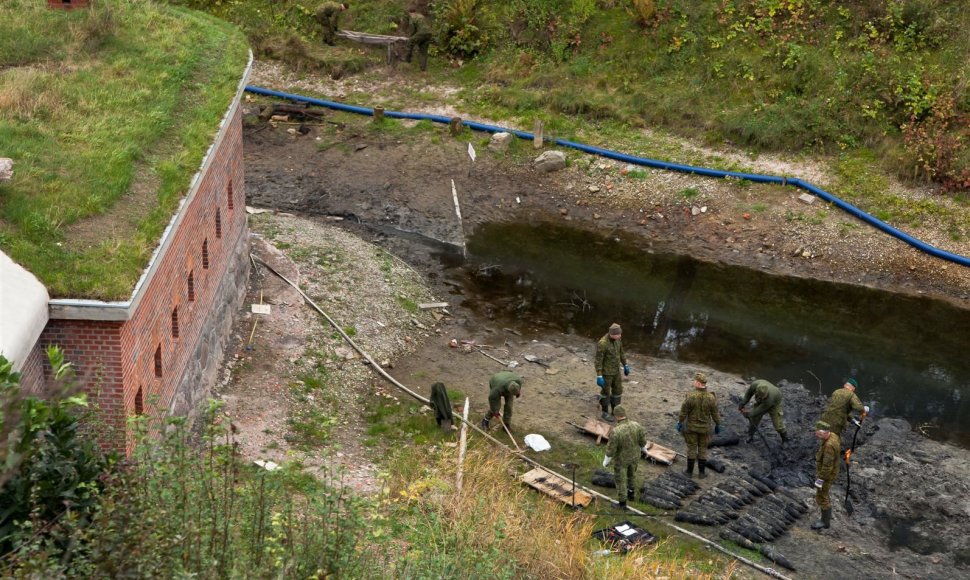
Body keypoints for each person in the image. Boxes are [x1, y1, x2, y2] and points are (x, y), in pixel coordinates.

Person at [677, 372, 722, 479]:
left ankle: (689, 472)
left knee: (692, 448)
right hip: (705, 429)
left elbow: (683, 412)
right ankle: (702, 473)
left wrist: (680, 422)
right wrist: (718, 424)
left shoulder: (690, 396)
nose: (693, 382)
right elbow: (715, 413)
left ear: (698, 383)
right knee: (703, 448)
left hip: (691, 428)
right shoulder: (711, 397)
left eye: (694, 381)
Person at [603, 405, 646, 509]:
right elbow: (642, 441)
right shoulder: (637, 425)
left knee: (620, 480)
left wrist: (606, 461)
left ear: (616, 416)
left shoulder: (616, 431)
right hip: (635, 456)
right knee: (632, 475)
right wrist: (645, 450)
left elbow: (611, 449)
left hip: (621, 460)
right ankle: (631, 494)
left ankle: (622, 503)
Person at [594, 322, 629, 423]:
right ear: (612, 334)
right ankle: (605, 412)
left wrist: (625, 364)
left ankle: (615, 411)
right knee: (605, 393)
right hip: (606, 373)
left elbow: (621, 352)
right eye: (618, 334)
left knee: (618, 391)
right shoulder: (603, 343)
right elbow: (598, 361)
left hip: (616, 371)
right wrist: (599, 375)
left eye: (620, 334)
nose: (620, 336)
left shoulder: (618, 340)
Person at [738, 379, 788, 444]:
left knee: (778, 424)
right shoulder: (754, 385)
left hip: (775, 402)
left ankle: (785, 439)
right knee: (754, 419)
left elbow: (760, 410)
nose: (764, 398)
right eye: (762, 397)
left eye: (765, 397)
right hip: (762, 403)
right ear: (756, 392)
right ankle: (750, 435)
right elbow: (749, 393)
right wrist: (743, 403)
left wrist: (749, 414)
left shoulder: (769, 399)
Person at [812, 420, 841, 530]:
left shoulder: (829, 446)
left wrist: (820, 479)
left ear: (825, 433)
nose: (816, 435)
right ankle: (825, 519)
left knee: (822, 496)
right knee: (824, 493)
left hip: (827, 475)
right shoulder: (833, 435)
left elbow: (827, 466)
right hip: (833, 470)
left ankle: (825, 522)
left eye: (818, 433)